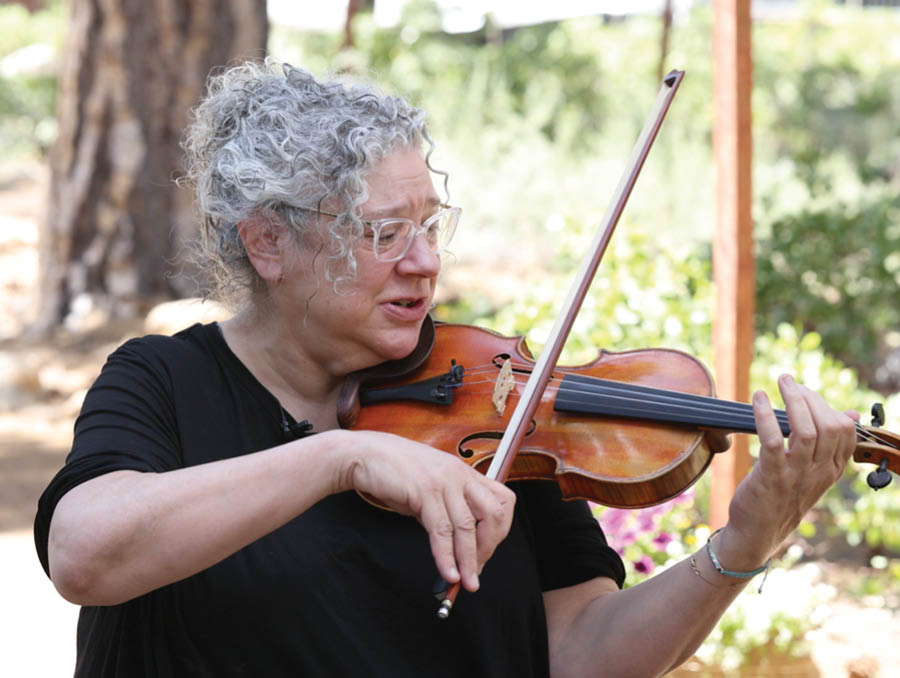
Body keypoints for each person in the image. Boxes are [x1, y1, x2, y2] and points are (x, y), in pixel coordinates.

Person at [34, 59, 859, 678]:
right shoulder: (163, 383)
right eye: (386, 234)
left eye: (432, 226)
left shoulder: (496, 398)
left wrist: (745, 542)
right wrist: (338, 457)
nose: (426, 264)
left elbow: (581, 653)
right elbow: (85, 555)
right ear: (268, 241)